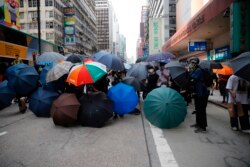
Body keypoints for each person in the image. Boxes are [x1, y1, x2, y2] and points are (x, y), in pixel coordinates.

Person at [188, 57, 210, 133]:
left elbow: (191, 78)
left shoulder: (198, 70)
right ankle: (198, 123)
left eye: (193, 63)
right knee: (197, 109)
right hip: (197, 93)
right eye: (191, 62)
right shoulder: (195, 70)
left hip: (202, 93)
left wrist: (189, 71)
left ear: (196, 63)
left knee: (201, 110)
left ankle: (203, 126)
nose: (191, 64)